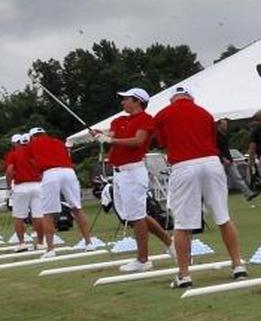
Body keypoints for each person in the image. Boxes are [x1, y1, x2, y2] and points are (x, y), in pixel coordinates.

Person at [153, 85, 246, 288]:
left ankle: (184, 275)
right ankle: (237, 264)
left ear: (172, 99)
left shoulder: (162, 115)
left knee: (183, 223)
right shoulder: (205, 114)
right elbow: (213, 140)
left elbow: (162, 143)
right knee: (223, 217)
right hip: (212, 163)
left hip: (184, 165)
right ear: (191, 97)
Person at [91, 87, 173, 272]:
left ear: (137, 101)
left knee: (136, 217)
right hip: (119, 174)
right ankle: (169, 242)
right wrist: (99, 135)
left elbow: (137, 141)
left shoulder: (145, 119)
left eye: (126, 99)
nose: (122, 102)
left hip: (133, 172)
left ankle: (143, 260)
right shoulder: (119, 120)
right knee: (137, 215)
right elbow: (111, 135)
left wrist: (110, 141)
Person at [26, 127, 95, 257]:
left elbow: (32, 161)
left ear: (32, 136)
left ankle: (51, 249)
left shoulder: (32, 144)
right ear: (44, 133)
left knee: (48, 213)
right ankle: (89, 243)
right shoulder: (57, 141)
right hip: (68, 172)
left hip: (50, 173)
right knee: (77, 208)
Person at [5, 134, 43, 252]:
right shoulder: (35, 152)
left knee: (19, 217)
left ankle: (22, 243)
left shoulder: (13, 154)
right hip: (37, 185)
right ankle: (41, 242)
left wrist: (8, 185)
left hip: (21, 186)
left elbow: (9, 170)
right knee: (38, 216)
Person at [216, 117, 258, 201]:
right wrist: (223, 159)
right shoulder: (216, 136)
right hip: (221, 161)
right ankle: (218, 197)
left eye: (226, 124)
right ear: (219, 125)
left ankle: (248, 193)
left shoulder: (224, 135)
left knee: (237, 177)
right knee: (220, 180)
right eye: (224, 124)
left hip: (229, 160)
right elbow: (216, 149)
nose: (226, 126)